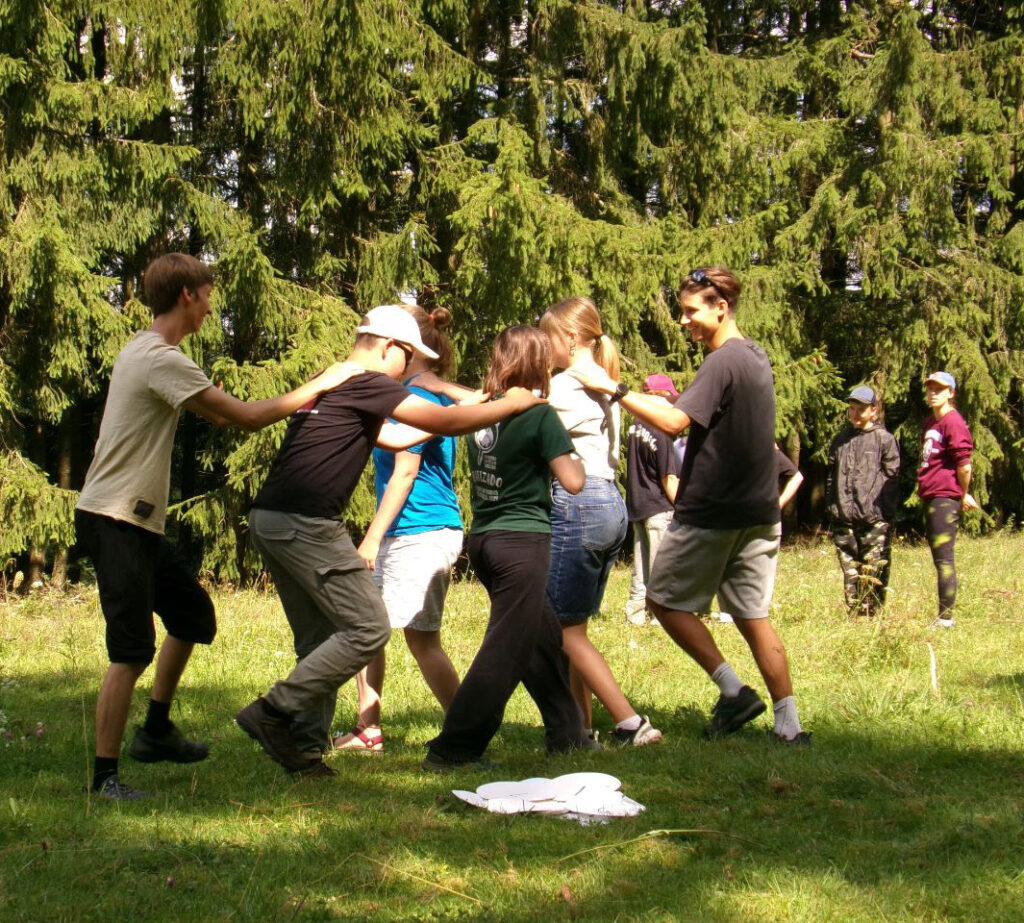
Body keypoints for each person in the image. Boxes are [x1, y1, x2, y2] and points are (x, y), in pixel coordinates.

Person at [75, 253, 362, 801]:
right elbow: (244, 417)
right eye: (207, 296)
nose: (210, 308)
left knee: (192, 616)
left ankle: (155, 731)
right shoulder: (160, 358)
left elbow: (218, 412)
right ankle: (103, 778)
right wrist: (324, 382)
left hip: (132, 519)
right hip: (114, 518)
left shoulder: (145, 351)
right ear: (187, 295)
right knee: (130, 650)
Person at [237, 305, 542, 776]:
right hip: (307, 522)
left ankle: (302, 749)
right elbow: (443, 424)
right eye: (407, 357)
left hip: (271, 518)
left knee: (319, 638)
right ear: (387, 347)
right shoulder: (369, 382)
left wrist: (466, 402)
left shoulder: (333, 380)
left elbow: (397, 438)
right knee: (369, 628)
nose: (406, 370)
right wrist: (510, 404)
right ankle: (273, 710)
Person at [570, 267, 810, 745]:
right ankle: (790, 726)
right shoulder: (755, 356)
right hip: (760, 513)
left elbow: (674, 421)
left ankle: (733, 691)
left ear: (721, 308)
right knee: (753, 616)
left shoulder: (722, 361)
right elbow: (698, 418)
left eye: (690, 311)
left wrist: (612, 388)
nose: (684, 320)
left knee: (661, 601)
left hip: (712, 513)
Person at [423, 326, 589, 769]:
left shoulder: (484, 412)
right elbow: (573, 481)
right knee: (507, 648)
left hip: (485, 540)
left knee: (541, 637)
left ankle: (568, 734)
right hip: (523, 541)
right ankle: (454, 748)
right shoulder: (540, 415)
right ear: (540, 363)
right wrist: (576, 453)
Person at [334, 305, 469, 752]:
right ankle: (367, 728)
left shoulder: (420, 399)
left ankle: (466, 732)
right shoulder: (412, 395)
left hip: (422, 531)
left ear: (410, 349)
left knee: (421, 640)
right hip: (404, 530)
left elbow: (405, 472)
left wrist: (371, 538)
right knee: (368, 629)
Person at [539, 298, 663, 747]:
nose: (542, 346)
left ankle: (631, 724)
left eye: (547, 337)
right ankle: (581, 729)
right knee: (575, 628)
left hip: (579, 503)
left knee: (561, 628)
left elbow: (520, 420)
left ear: (570, 339)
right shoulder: (603, 383)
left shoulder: (563, 387)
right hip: (609, 502)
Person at [826, 385, 901, 617]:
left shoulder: (884, 440)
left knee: (873, 571)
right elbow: (831, 477)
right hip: (843, 519)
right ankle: (854, 616)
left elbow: (892, 479)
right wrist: (833, 507)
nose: (855, 413)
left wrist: (882, 513)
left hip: (873, 520)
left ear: (873, 411)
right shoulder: (840, 440)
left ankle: (870, 617)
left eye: (861, 409)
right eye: (852, 408)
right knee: (850, 572)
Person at [917, 371, 977, 628]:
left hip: (945, 497)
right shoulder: (931, 422)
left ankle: (945, 620)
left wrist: (963, 494)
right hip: (932, 494)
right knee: (939, 558)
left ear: (951, 393)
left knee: (944, 559)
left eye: (939, 389)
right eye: (930, 388)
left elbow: (964, 465)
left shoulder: (953, 422)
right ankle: (944, 617)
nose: (933, 393)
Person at [624, 374, 680, 626]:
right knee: (661, 565)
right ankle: (661, 616)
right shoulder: (662, 429)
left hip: (637, 504)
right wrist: (683, 508)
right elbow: (669, 478)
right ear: (660, 397)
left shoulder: (635, 427)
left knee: (641, 563)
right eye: (670, 399)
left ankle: (635, 612)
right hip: (659, 506)